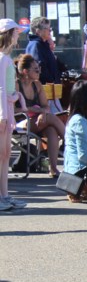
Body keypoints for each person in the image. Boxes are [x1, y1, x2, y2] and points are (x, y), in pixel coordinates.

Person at [15, 53, 65, 178]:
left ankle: (53, 169)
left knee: (51, 129)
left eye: (40, 69)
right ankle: (70, 141)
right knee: (51, 118)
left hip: (37, 120)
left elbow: (46, 106)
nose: (39, 72)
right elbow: (14, 109)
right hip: (19, 120)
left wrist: (43, 113)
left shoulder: (37, 85)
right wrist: (36, 110)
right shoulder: (16, 85)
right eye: (36, 69)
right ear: (25, 71)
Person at [0, 19, 27, 211]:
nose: (19, 35)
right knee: (1, 154)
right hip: (3, 112)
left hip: (7, 110)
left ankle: (5, 195)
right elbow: (0, 88)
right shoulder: (2, 59)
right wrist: (2, 114)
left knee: (6, 154)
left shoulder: (6, 58)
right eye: (16, 32)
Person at [24, 17, 64, 85]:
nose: (50, 31)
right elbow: (39, 68)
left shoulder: (44, 45)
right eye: (47, 28)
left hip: (52, 87)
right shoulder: (35, 45)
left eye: (50, 28)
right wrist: (51, 80)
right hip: (44, 88)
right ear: (38, 31)